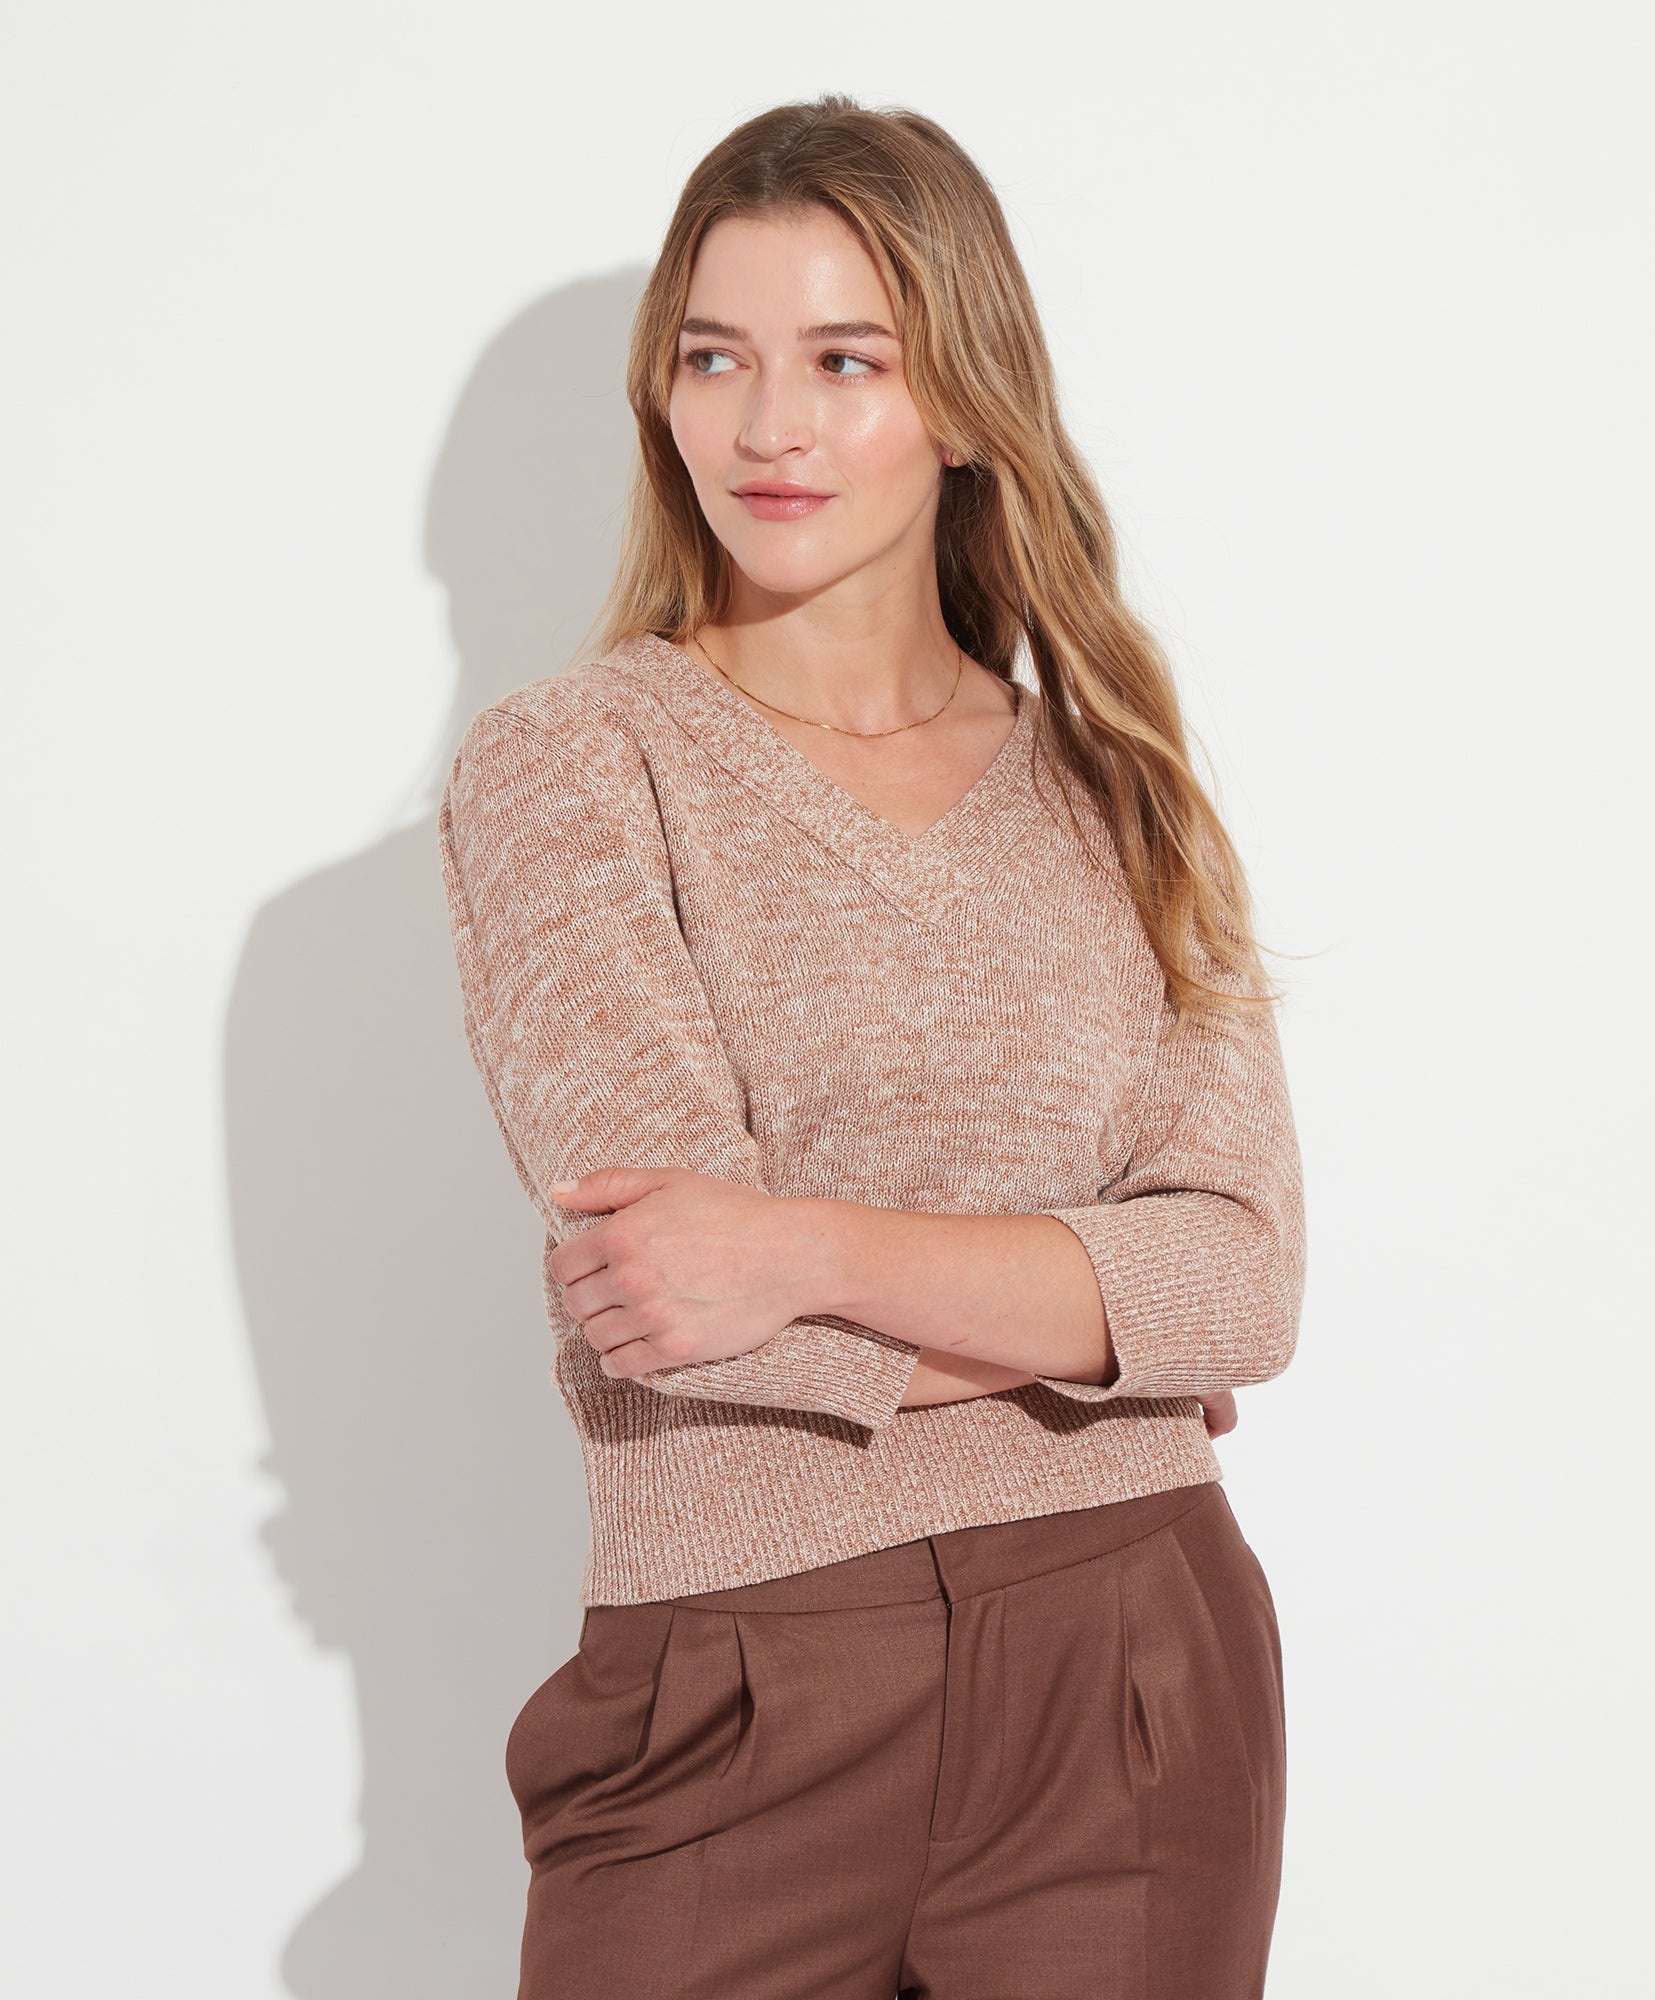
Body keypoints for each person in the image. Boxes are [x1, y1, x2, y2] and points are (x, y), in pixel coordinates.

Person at [438, 91, 1306, 2000]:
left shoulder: (1120, 786)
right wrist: (1092, 1328)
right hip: (728, 1686)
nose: (769, 426)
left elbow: (1242, 1284)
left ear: (965, 400)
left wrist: (807, 1247)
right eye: (715, 358)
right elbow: (671, 1299)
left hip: (1131, 1664)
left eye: (847, 360)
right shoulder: (574, 768)